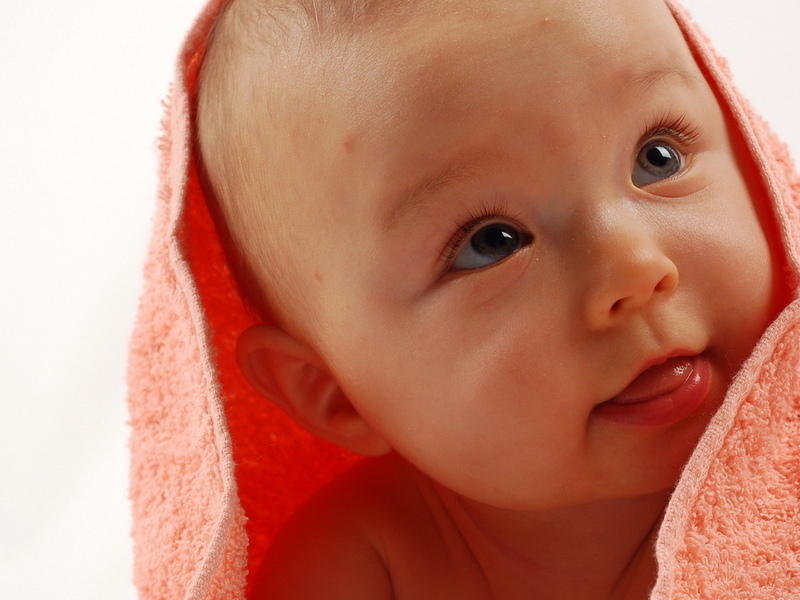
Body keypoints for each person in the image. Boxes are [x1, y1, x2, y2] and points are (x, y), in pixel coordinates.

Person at [127, 0, 799, 598]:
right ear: (335, 393)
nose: (635, 266)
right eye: (493, 241)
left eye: (658, 157)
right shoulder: (369, 562)